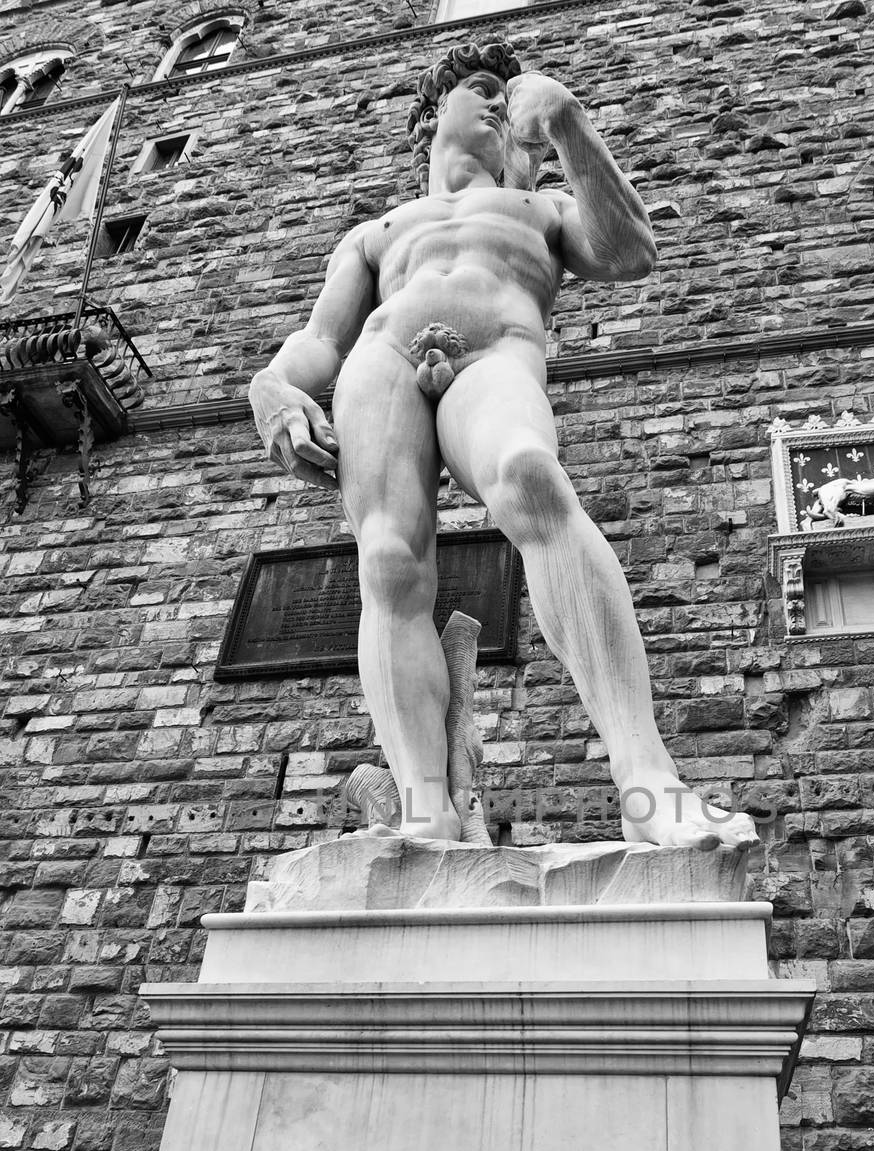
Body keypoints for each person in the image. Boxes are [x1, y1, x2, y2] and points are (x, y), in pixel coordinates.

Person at [249, 40, 754, 850]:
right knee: (386, 561)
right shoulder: (378, 231)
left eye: (507, 93)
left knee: (529, 478)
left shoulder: (544, 206)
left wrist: (564, 121)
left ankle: (647, 780)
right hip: (381, 362)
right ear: (430, 118)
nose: (498, 100)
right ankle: (424, 808)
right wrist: (270, 385)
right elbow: (318, 339)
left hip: (496, 351)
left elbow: (629, 252)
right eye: (483, 88)